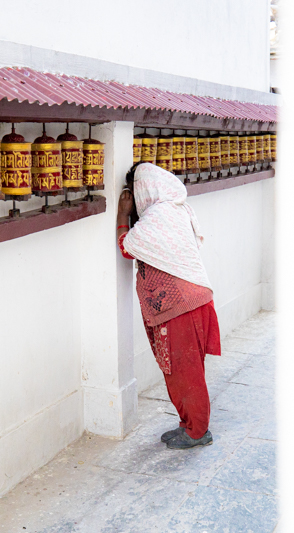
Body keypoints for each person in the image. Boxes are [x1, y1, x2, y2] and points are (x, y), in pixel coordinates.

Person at [117, 162, 221, 450]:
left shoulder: (160, 216)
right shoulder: (173, 210)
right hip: (188, 302)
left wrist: (122, 216)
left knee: (186, 373)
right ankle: (188, 424)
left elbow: (127, 247)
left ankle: (198, 431)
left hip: (183, 306)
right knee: (181, 372)